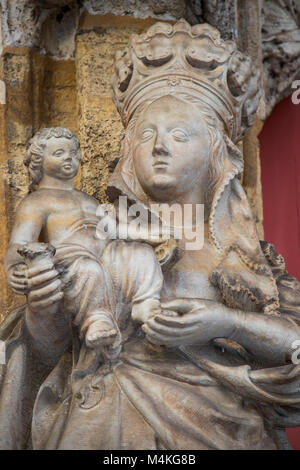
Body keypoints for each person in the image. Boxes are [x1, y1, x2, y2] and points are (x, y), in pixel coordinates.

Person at [4, 126, 163, 354]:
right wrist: (13, 268)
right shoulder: (37, 201)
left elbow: (113, 229)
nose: (69, 157)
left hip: (105, 254)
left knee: (140, 253)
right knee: (89, 269)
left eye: (72, 153)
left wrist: (153, 237)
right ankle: (97, 319)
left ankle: (146, 303)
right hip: (69, 261)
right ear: (38, 161)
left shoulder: (89, 200)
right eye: (59, 153)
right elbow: (20, 243)